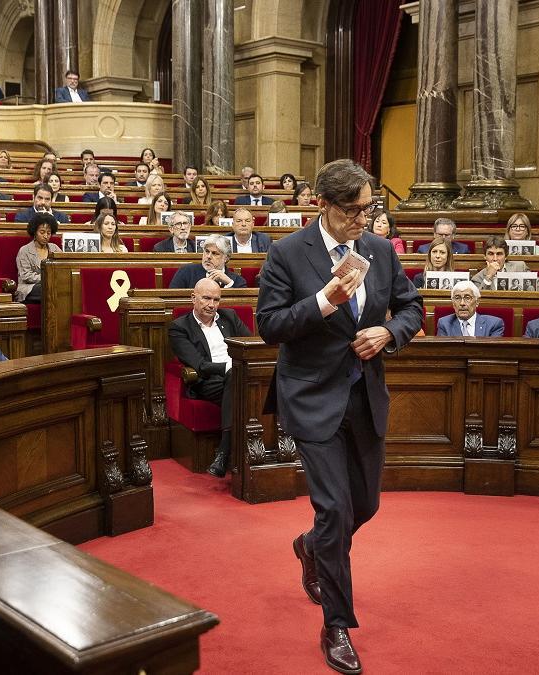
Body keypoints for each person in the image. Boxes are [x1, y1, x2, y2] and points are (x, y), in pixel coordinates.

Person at [255, 159, 422, 674]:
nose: (362, 219)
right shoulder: (286, 254)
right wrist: (325, 301)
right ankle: (337, 625)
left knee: (363, 507)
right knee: (333, 509)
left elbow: (412, 307)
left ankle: (311, 549)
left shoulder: (378, 249)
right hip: (311, 398)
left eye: (368, 208)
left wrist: (389, 333)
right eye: (352, 210)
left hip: (364, 396)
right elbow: (270, 325)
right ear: (322, 204)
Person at [168, 277, 252, 477]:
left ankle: (224, 453)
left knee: (241, 380)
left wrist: (237, 368)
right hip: (208, 382)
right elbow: (200, 365)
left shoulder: (230, 317)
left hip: (237, 377)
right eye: (206, 299)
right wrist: (230, 367)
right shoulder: (179, 327)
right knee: (239, 380)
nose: (212, 305)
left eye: (216, 300)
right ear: (193, 298)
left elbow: (250, 346)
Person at [472, 235, 539, 292]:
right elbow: (478, 300)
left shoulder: (520, 267)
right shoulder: (477, 278)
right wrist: (488, 276)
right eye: (491, 254)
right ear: (485, 257)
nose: (495, 259)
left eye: (499, 254)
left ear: (506, 256)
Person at [14, 213, 61, 302]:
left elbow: (62, 267)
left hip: (52, 284)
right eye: (42, 232)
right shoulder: (24, 250)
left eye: (49, 233)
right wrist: (48, 278)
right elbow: (26, 276)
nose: (46, 236)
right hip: (28, 288)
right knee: (48, 288)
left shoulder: (54, 248)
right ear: (35, 232)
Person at [169, 236, 246, 289]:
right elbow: (172, 298)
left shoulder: (237, 281)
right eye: (206, 251)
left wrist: (228, 283)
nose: (208, 256)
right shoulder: (186, 272)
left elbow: (242, 305)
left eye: (215, 253)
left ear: (226, 258)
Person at [436, 280, 504, 336]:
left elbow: (493, 352)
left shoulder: (493, 324)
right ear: (453, 303)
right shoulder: (444, 323)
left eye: (467, 298)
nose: (462, 303)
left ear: (477, 302)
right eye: (457, 298)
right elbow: (443, 351)